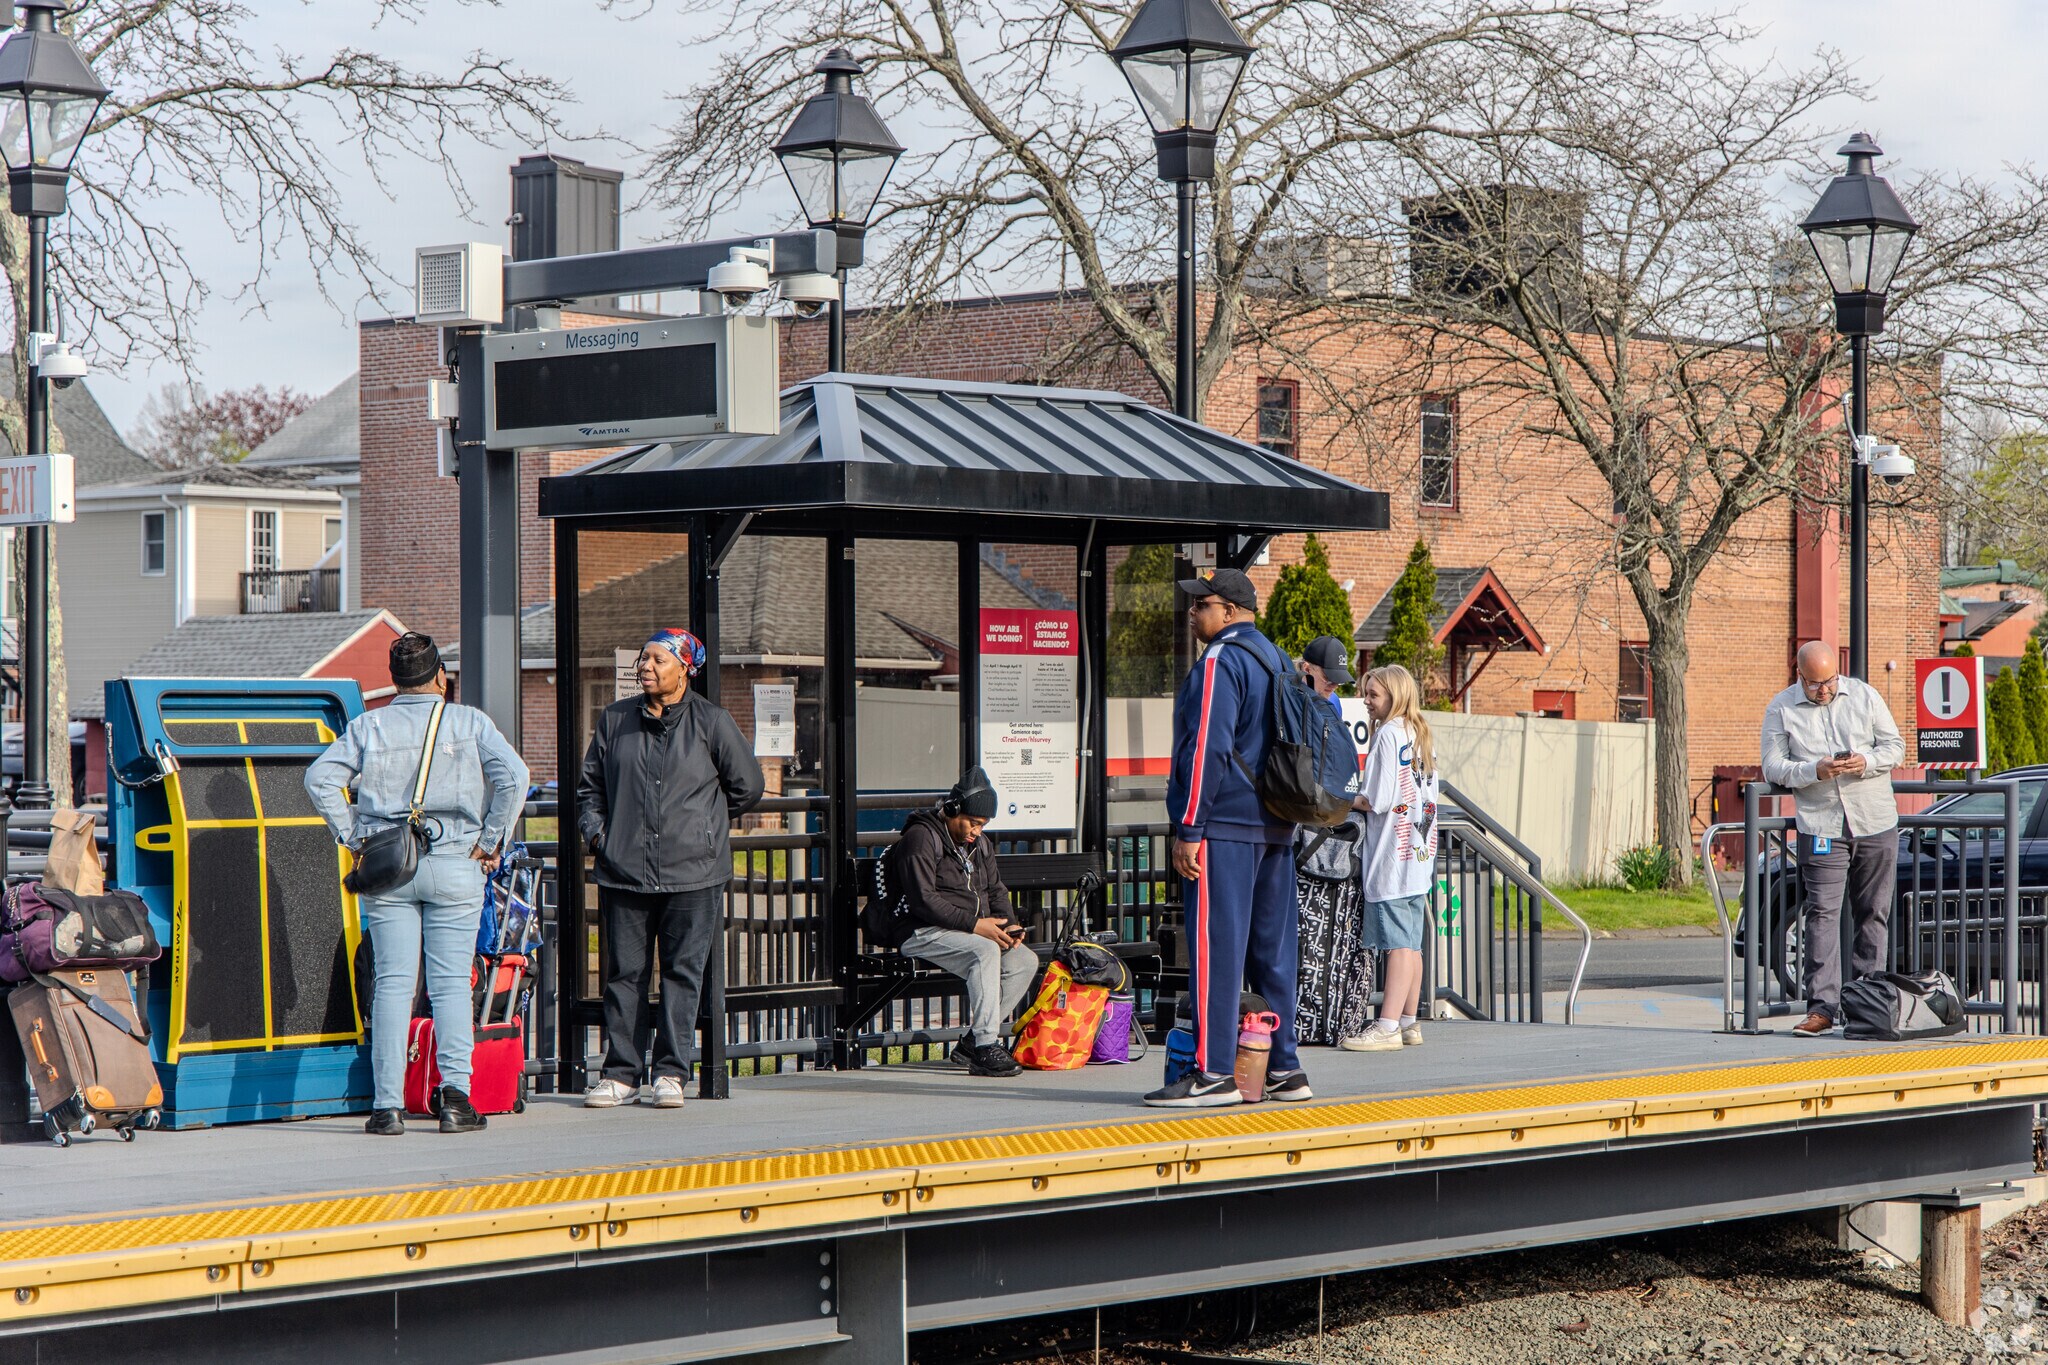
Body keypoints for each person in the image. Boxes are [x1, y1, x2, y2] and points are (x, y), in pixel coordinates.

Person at [306, 631, 530, 1136]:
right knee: (451, 984)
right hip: (455, 860)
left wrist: (353, 836)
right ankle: (455, 1100)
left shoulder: (370, 725)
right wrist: (491, 842)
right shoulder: (469, 722)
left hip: (389, 865)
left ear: (396, 681)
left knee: (391, 985)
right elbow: (515, 777)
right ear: (440, 679)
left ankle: (386, 1107)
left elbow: (319, 778)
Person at [578, 628, 764, 1108]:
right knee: (624, 974)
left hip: (694, 874)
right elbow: (589, 788)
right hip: (625, 871)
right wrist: (600, 835)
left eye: (658, 660)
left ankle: (670, 1074)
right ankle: (620, 1074)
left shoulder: (712, 721)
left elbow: (748, 786)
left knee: (683, 974)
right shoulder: (615, 719)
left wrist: (705, 827)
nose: (646, 666)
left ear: (685, 669)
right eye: (643, 658)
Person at [1147, 567, 1309, 1107]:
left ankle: (1215, 1071)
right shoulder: (1280, 659)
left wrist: (1189, 828)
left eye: (1203, 604)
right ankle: (1284, 1068)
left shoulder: (1221, 659)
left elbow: (1206, 752)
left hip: (1226, 828)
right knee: (1273, 951)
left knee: (1217, 950)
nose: (1194, 613)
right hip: (1278, 825)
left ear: (1231, 611)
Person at [1761, 640, 1905, 1037]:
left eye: (1829, 681)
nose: (1823, 690)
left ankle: (1867, 1005)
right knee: (1822, 915)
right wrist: (1815, 770)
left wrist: (1866, 761)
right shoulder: (1781, 708)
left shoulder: (1864, 695)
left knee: (1873, 914)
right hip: (1821, 825)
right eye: (1814, 684)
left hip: (1874, 821)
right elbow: (1773, 766)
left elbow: (1895, 747)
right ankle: (1822, 1009)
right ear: (1799, 676)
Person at [886, 767, 1036, 1077]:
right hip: (918, 930)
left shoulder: (979, 845)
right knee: (984, 951)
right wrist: (976, 926)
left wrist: (1009, 926)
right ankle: (985, 1046)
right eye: (974, 823)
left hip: (963, 931)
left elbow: (996, 890)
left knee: (1024, 960)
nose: (977, 831)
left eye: (983, 825)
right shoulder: (921, 838)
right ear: (953, 810)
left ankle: (970, 1044)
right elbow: (923, 901)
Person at [1341, 664, 1438, 1052]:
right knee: (1412, 944)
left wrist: (1340, 799)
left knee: (1397, 946)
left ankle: (1386, 1026)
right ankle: (1410, 1022)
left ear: (1393, 697)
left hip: (1391, 859)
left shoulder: (1385, 736)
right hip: (1419, 854)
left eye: (1373, 695)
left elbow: (1375, 800)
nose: (1366, 701)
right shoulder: (1419, 733)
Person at [1292, 636, 1375, 1047]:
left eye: (1340, 680)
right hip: (1311, 833)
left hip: (1319, 832)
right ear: (1307, 668)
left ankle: (1320, 1018)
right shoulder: (1294, 699)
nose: (1335, 686)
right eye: (1329, 677)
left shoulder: (1327, 706)